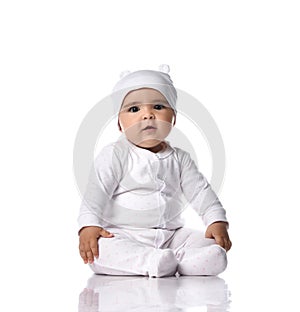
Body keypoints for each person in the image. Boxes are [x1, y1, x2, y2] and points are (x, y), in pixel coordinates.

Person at [78, 65, 232, 277]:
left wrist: (216, 220)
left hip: (171, 236)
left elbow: (201, 192)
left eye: (158, 107)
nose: (148, 115)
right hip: (123, 236)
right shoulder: (115, 154)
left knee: (207, 243)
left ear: (174, 118)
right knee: (102, 251)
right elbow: (95, 195)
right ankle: (151, 261)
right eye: (134, 109)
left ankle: (184, 261)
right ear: (120, 125)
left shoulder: (180, 158)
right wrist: (89, 227)